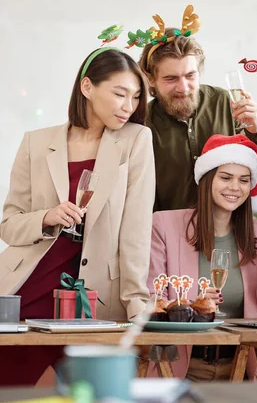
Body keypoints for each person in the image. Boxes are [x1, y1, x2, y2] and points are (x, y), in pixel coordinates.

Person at [0, 44, 155, 385]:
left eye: (135, 97)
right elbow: (9, 225)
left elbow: (135, 232)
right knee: (11, 393)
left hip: (94, 298)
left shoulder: (136, 140)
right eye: (119, 94)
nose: (128, 107)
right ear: (87, 87)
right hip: (29, 287)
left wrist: (137, 306)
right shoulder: (35, 143)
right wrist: (47, 217)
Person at [148, 134, 257, 381]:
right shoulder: (164, 225)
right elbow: (150, 300)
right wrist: (192, 307)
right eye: (225, 177)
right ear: (207, 179)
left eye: (243, 180)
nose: (234, 187)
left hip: (240, 369)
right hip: (181, 369)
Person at [138, 5, 257, 211]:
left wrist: (255, 130)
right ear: (151, 79)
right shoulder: (143, 122)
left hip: (230, 231)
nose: (183, 87)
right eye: (171, 78)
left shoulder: (224, 102)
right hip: (170, 234)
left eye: (190, 76)